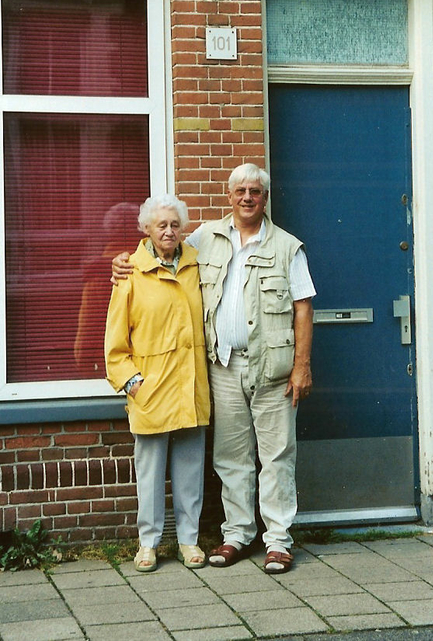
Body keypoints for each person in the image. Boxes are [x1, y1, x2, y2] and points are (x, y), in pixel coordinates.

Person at [112, 164, 315, 574]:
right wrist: (123, 261)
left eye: (254, 191)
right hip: (222, 369)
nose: (246, 197)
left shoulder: (288, 247)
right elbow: (156, 250)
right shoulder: (207, 237)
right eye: (239, 190)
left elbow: (303, 307)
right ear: (228, 195)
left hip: (271, 370)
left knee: (276, 456)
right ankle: (238, 535)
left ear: (265, 197)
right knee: (230, 457)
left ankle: (277, 541)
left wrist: (302, 367)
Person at [105, 194, 210, 573]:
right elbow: (115, 344)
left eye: (174, 224)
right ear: (146, 229)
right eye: (160, 225)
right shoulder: (130, 271)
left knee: (190, 468)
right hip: (150, 390)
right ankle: (147, 544)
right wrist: (133, 384)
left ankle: (189, 541)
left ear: (183, 229)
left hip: (190, 385)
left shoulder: (198, 265)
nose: (168, 231)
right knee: (149, 473)